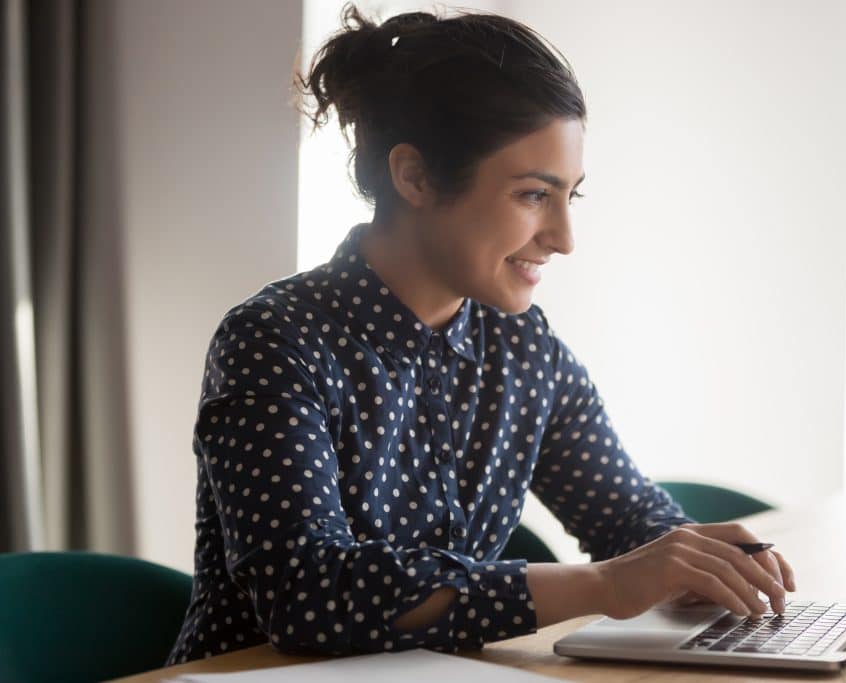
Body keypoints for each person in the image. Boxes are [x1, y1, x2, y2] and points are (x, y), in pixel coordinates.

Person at [167, 2, 796, 664]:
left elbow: (627, 519)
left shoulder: (523, 349)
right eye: (532, 195)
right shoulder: (275, 339)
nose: (563, 239)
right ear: (414, 176)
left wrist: (712, 559)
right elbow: (309, 593)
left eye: (569, 196)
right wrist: (605, 584)